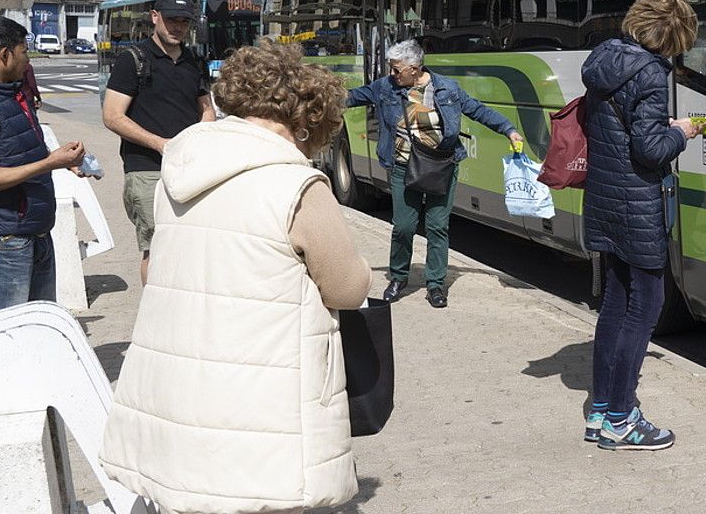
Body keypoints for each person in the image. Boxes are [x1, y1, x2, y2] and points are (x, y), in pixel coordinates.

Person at [100, 40, 372, 514]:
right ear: (306, 120)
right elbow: (348, 289)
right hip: (262, 391)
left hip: (181, 383)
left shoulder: (180, 169)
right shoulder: (297, 185)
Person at [581, 0, 702, 451]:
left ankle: (599, 411)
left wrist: (658, 127)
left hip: (606, 199)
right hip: (637, 203)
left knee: (614, 301)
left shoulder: (606, 60)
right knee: (646, 305)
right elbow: (648, 149)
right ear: (675, 34)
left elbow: (623, 131)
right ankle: (621, 416)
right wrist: (683, 132)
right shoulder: (651, 75)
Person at [347, 39, 524, 308]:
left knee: (437, 226)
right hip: (403, 166)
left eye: (397, 70)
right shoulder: (386, 87)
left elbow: (478, 110)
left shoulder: (447, 89)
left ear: (415, 69)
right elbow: (354, 96)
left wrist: (509, 129)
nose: (392, 74)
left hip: (441, 166)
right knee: (404, 226)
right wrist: (313, 97)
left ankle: (435, 285)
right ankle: (398, 278)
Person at [102, 0, 215, 285]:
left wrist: (200, 142)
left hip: (190, 170)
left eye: (183, 21)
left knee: (191, 247)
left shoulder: (194, 60)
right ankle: (154, 319)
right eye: (171, 20)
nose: (177, 27)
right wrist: (162, 145)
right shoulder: (133, 59)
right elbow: (112, 116)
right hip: (147, 171)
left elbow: (206, 110)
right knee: (157, 249)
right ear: (155, 18)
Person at [0, 16, 87, 313]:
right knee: (7, 333)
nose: (28, 59)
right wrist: (49, 164)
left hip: (38, 233)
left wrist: (63, 160)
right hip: (6, 241)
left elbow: (24, 147)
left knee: (40, 329)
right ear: (5, 55)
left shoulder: (16, 93)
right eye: (24, 51)